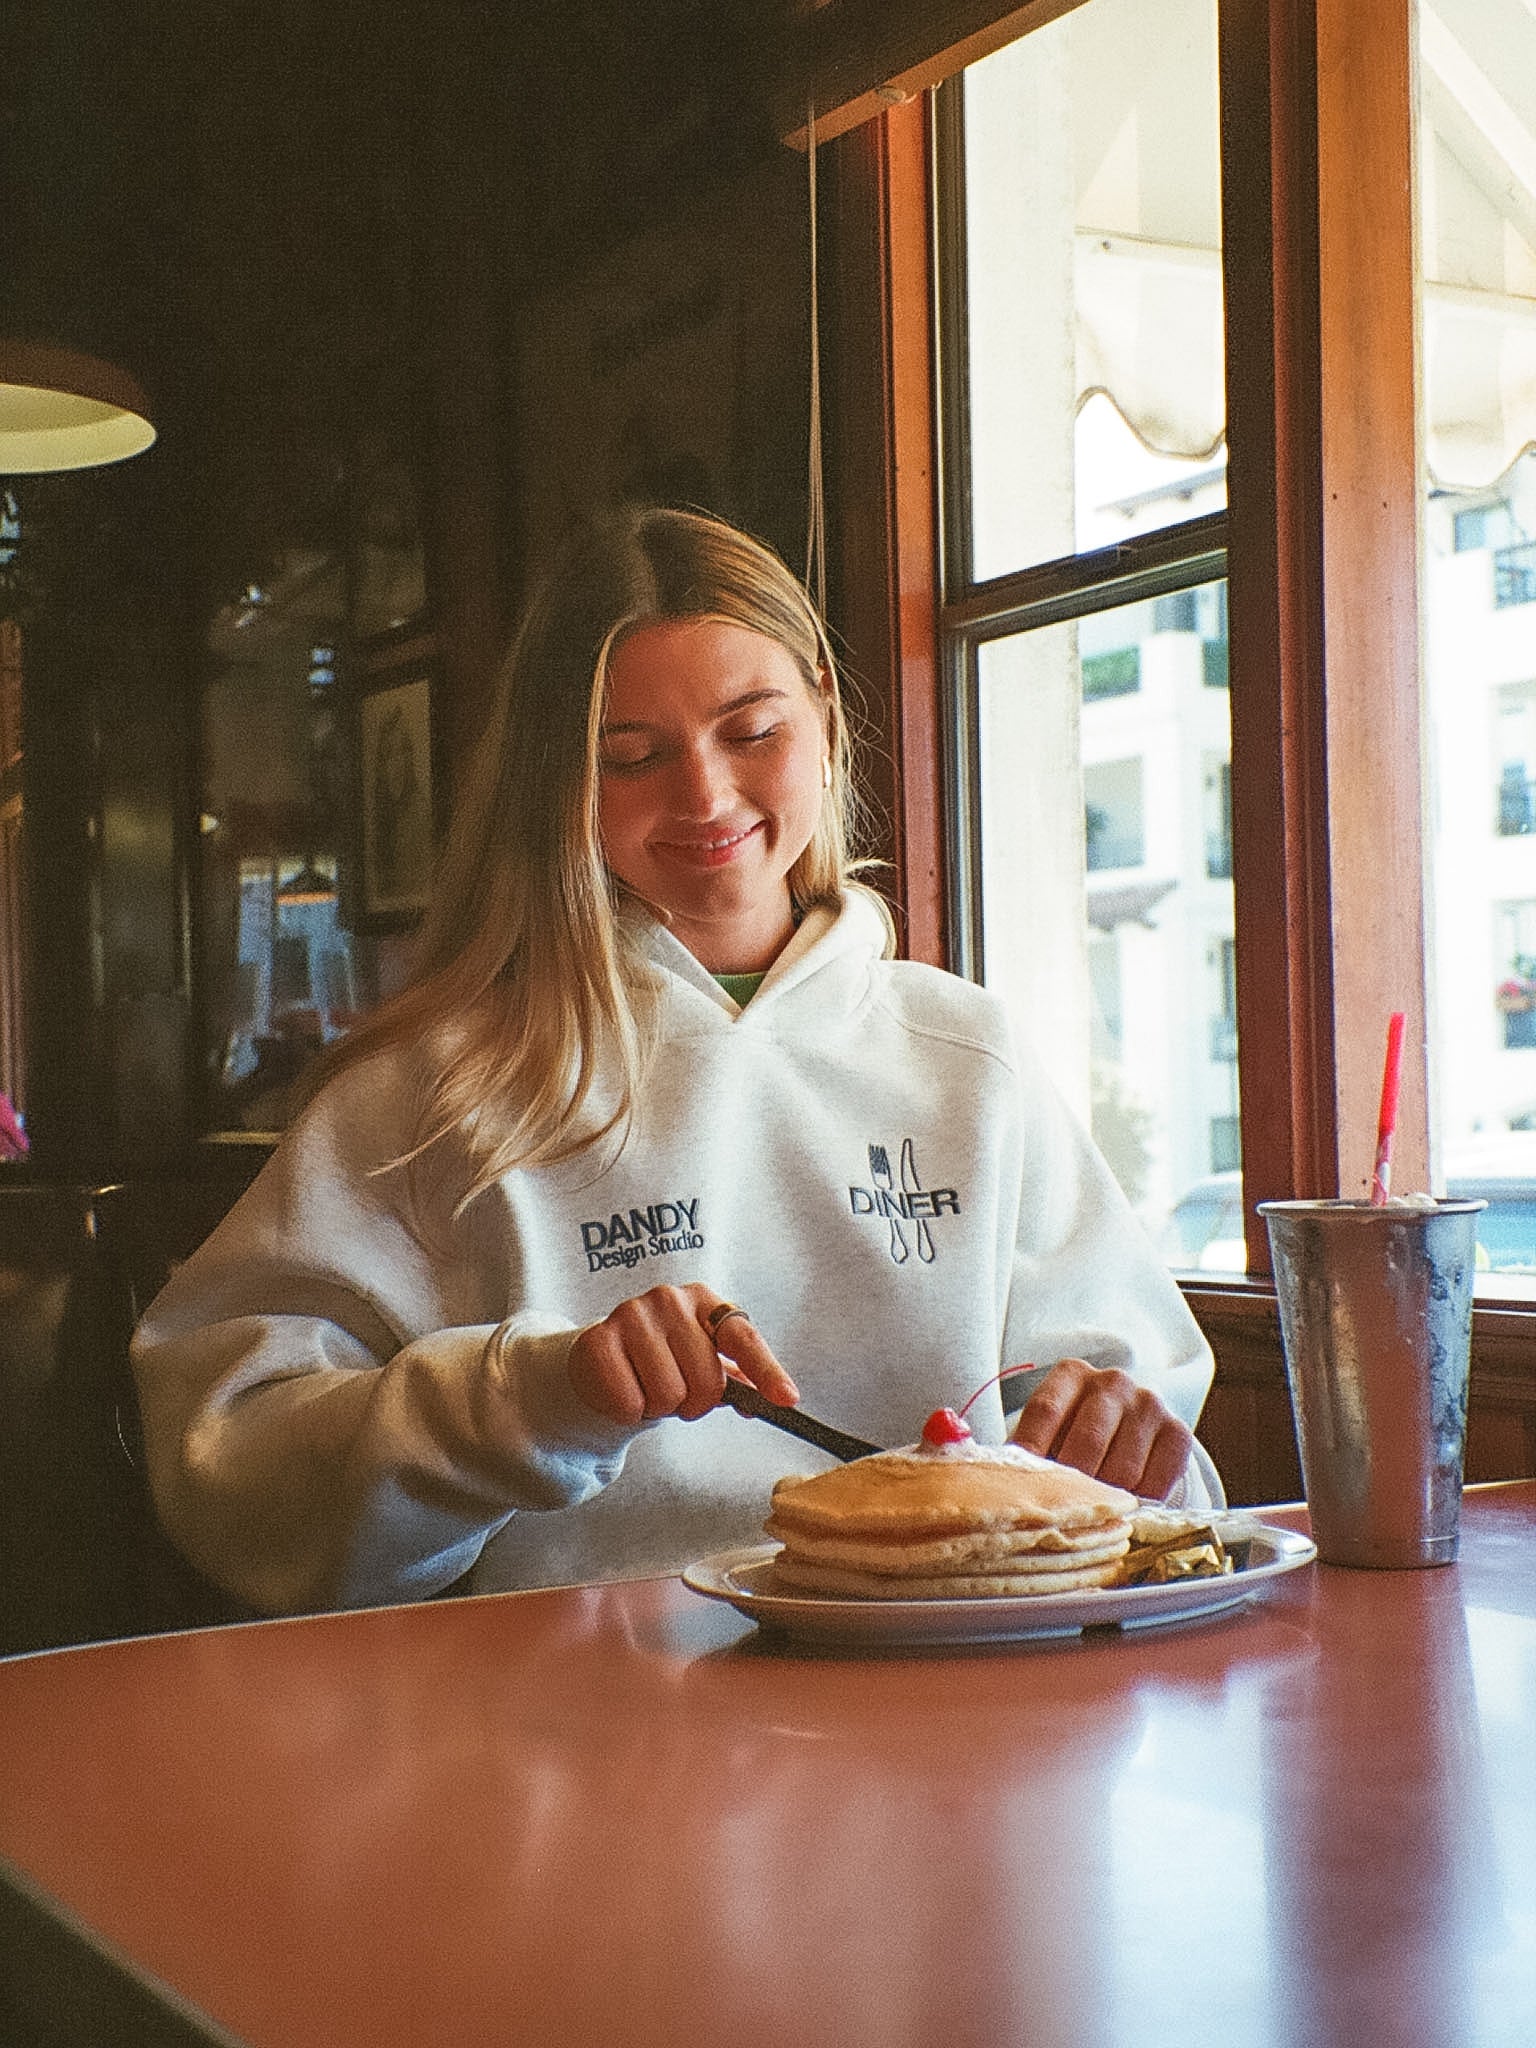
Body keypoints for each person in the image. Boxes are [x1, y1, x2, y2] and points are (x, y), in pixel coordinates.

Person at [132, 508, 1222, 1616]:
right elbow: (228, 1472)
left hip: (970, 1707)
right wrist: (534, 1394)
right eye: (633, 757)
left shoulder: (968, 1057)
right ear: (557, 782)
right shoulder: (432, 1089)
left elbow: (1175, 1495)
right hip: (575, 1733)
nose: (704, 796)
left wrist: (1132, 1442)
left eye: (752, 732)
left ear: (828, 723)